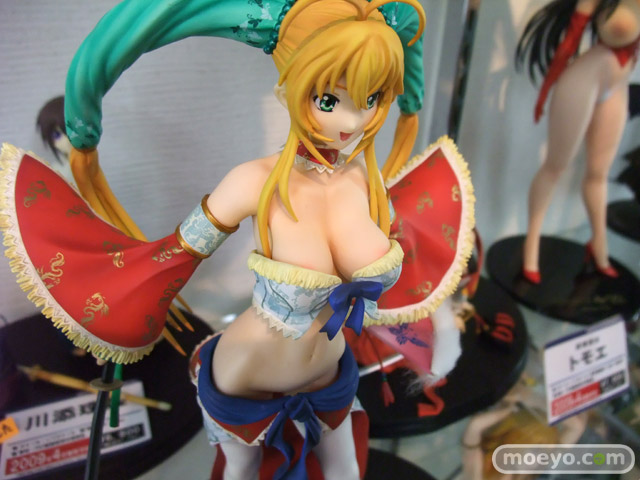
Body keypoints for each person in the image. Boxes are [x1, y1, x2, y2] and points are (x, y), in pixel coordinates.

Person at [0, 0, 474, 478]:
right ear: (291, 88)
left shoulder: (365, 183)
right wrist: (112, 297)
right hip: (246, 371)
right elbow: (173, 257)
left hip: (332, 368)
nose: (351, 122)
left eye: (370, 100)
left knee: (346, 468)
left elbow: (407, 260)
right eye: (329, 101)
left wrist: (434, 326)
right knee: (240, 472)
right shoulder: (254, 182)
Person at [516, 0, 639, 283]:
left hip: (618, 85)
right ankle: (531, 246)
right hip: (585, 80)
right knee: (556, 166)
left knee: (598, 173)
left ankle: (599, 246)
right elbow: (570, 41)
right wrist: (546, 91)